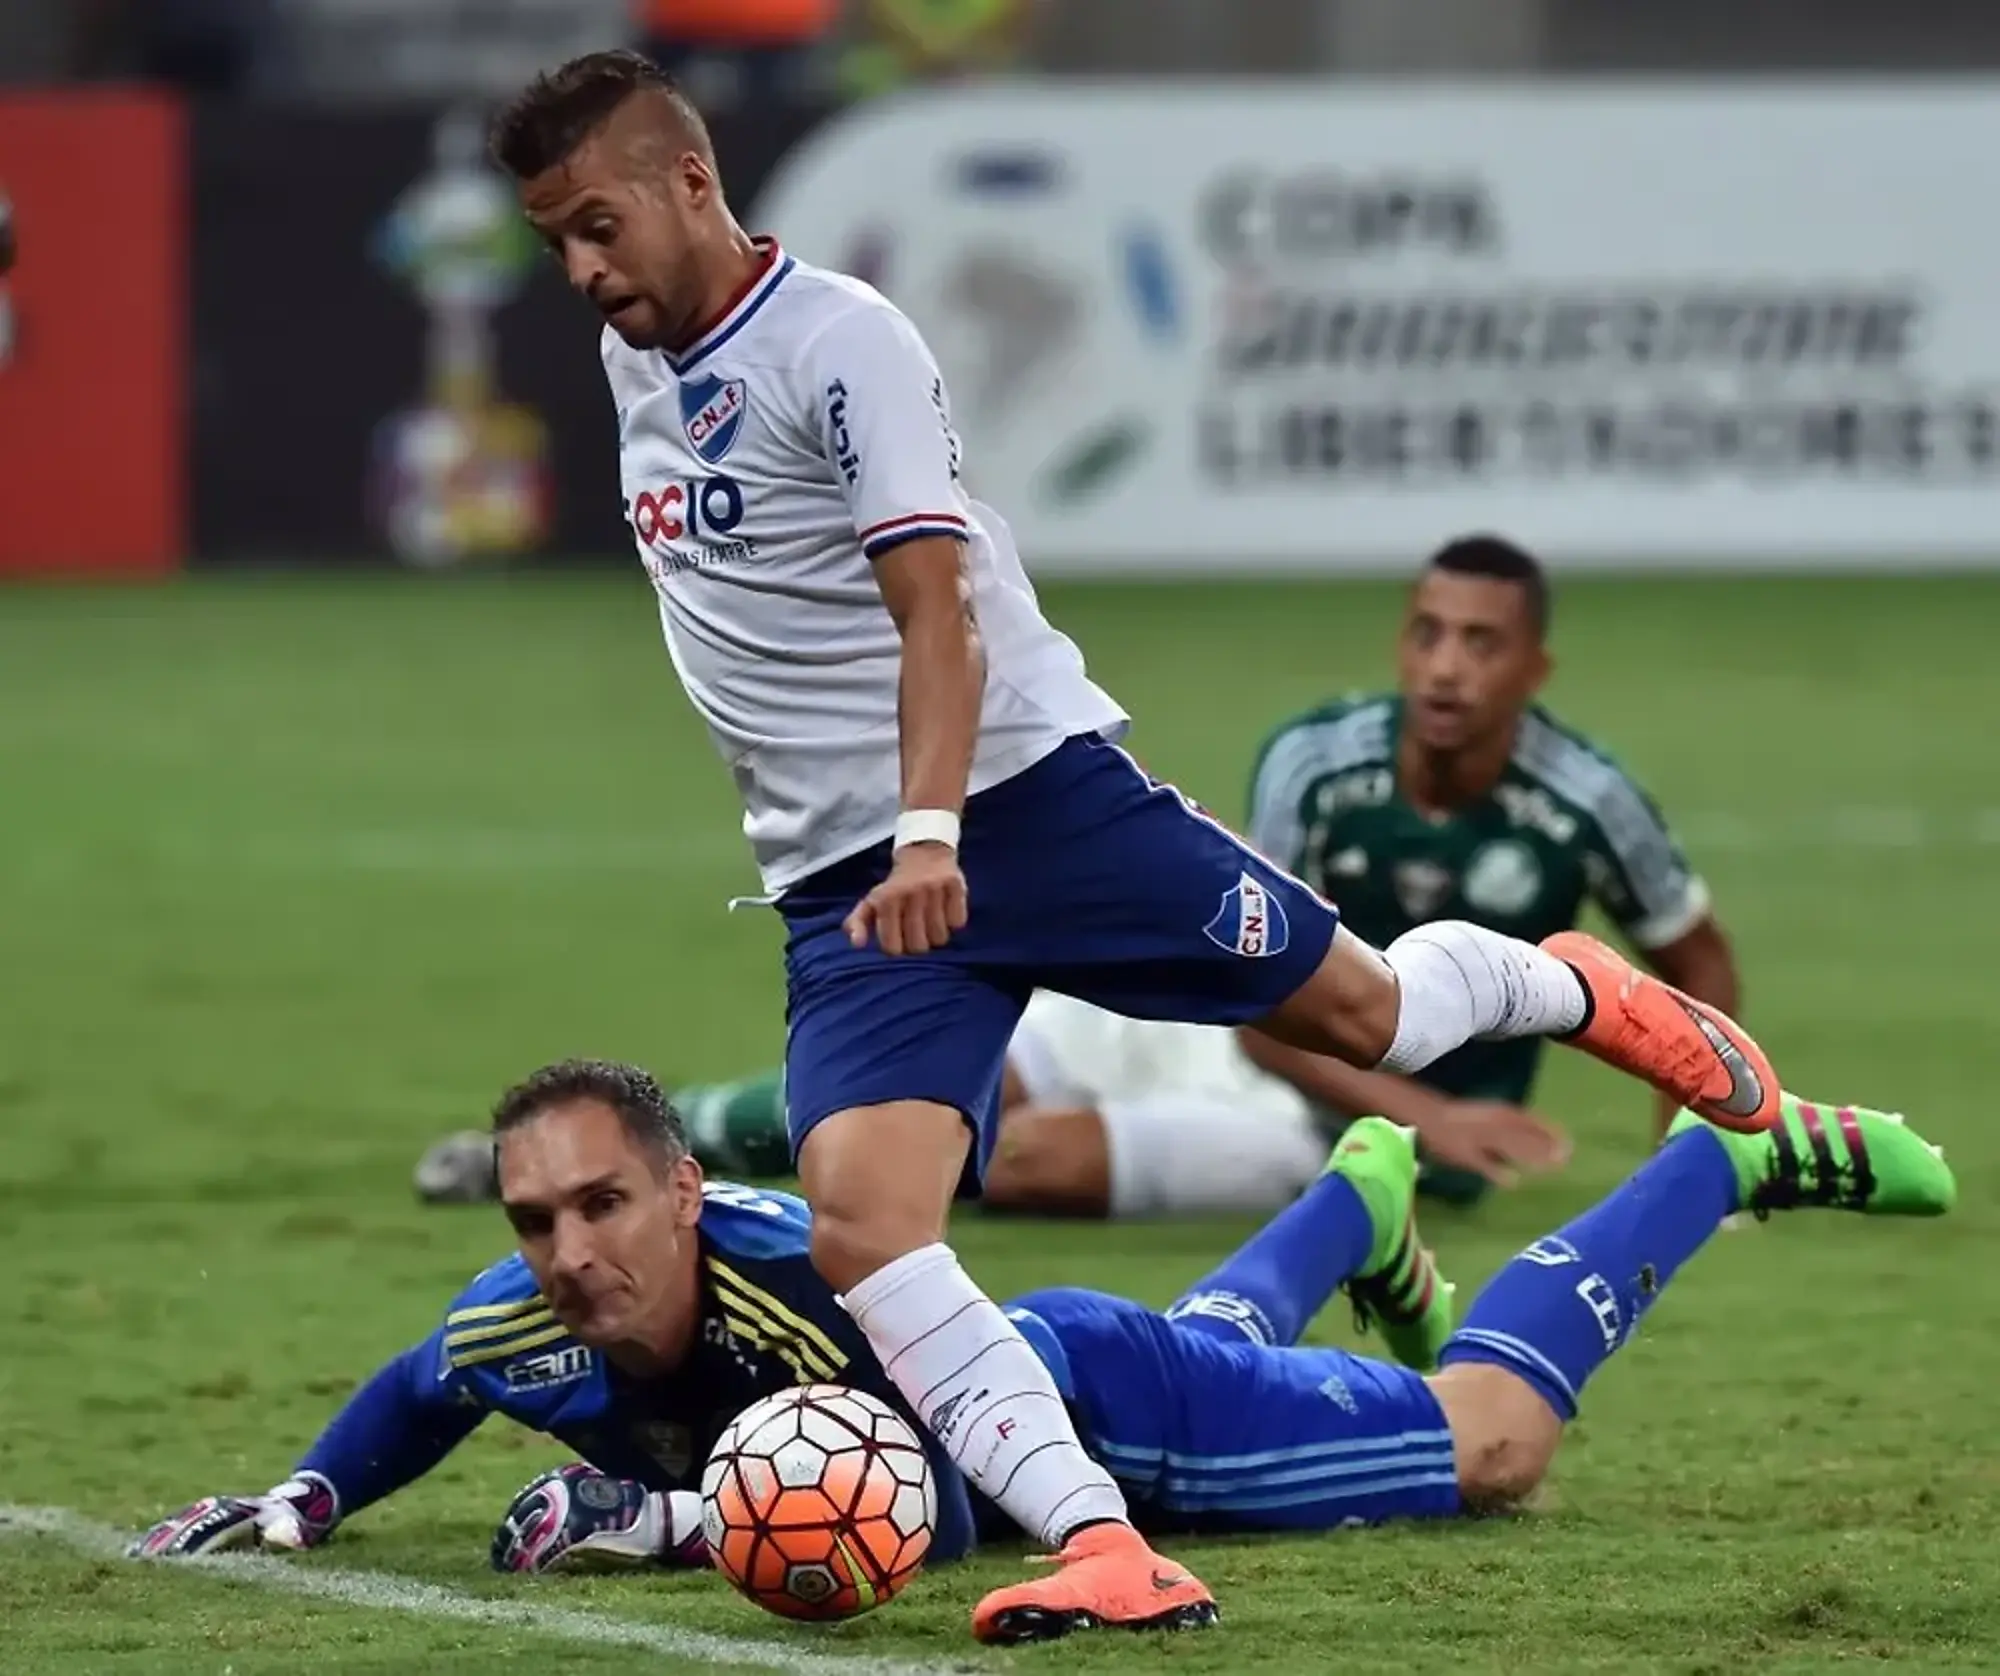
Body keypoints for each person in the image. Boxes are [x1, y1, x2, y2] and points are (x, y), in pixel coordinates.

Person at [477, 49, 1782, 1644]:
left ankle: (1577, 990)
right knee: (868, 1228)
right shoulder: (640, 362)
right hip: (850, 889)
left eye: (599, 223)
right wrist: (884, 852)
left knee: (1370, 1014)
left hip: (1026, 808)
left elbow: (935, 612)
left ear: (693, 182)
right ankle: (1106, 1548)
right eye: (556, 243)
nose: (584, 269)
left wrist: (937, 831)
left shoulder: (844, 344)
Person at [133, 1057, 1956, 1625]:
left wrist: (676, 1523)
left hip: (1094, 1413)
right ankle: (1361, 1199)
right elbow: (421, 1388)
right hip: (1069, 1394)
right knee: (1239, 1334)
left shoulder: (813, 1280)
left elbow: (918, 1479)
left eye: (605, 1207)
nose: (568, 1251)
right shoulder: (522, 1315)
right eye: (538, 1220)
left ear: (687, 1194)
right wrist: (304, 1498)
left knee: (1489, 1444)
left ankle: (1715, 1161)